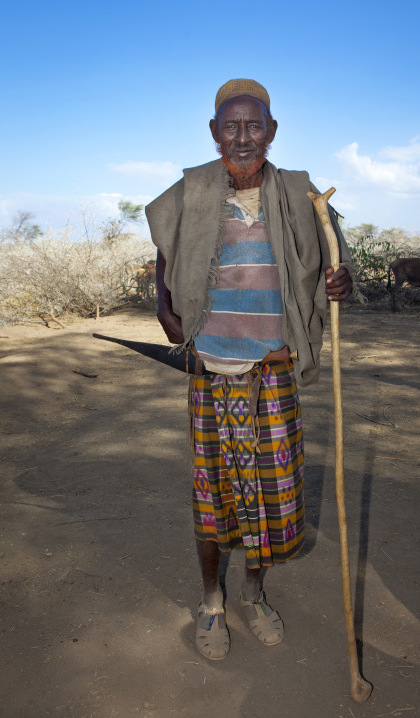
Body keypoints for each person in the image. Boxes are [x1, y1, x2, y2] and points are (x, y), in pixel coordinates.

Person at [145, 79, 354, 661]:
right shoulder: (190, 192)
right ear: (214, 134)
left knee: (268, 493)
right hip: (211, 368)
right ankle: (212, 601)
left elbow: (336, 255)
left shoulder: (300, 193)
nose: (242, 137)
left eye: (253, 126)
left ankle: (255, 592)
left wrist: (341, 281)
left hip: (275, 367)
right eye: (231, 127)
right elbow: (165, 250)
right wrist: (163, 306)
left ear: (272, 131)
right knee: (214, 496)